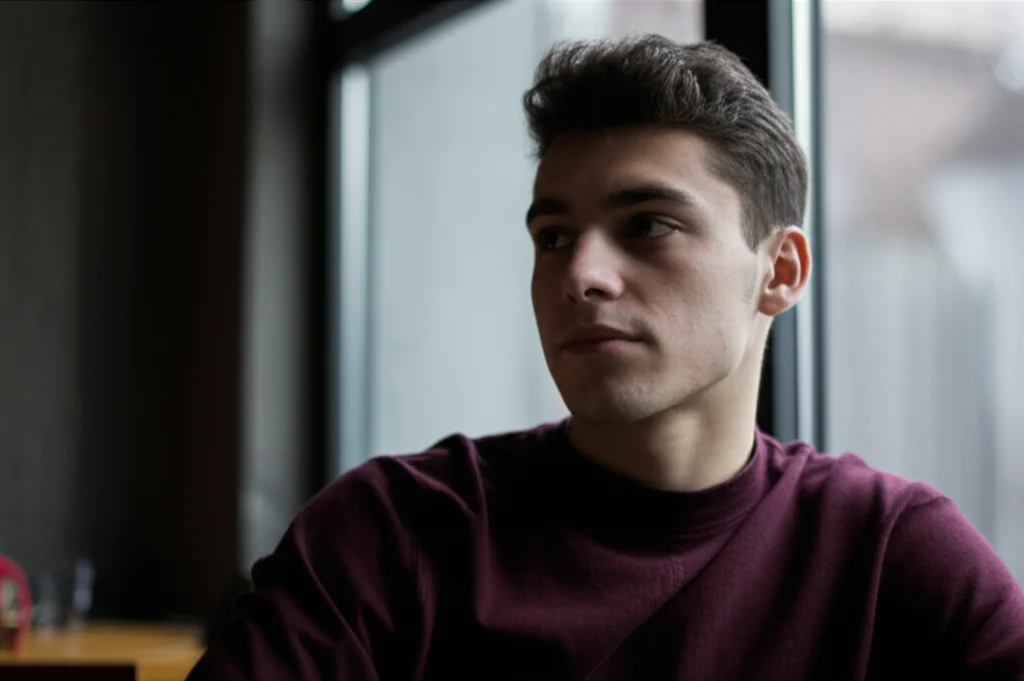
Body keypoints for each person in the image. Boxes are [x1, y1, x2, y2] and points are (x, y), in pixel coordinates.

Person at [187, 35, 1024, 680]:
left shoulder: (887, 557)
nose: (580, 274)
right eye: (553, 237)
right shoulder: (394, 533)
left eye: (647, 224)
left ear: (780, 270)